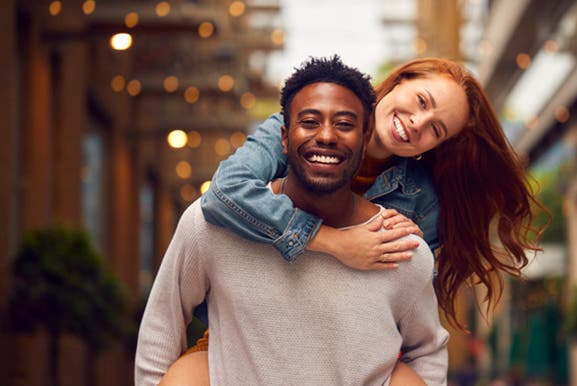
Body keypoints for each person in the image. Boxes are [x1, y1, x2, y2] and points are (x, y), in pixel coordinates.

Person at [135, 56, 449, 386]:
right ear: (284, 138)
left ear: (364, 138)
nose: (327, 136)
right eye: (310, 122)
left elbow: (427, 350)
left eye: (344, 124)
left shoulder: (397, 248)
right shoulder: (211, 225)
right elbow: (162, 326)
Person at [201, 57, 545, 330]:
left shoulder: (423, 206)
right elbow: (224, 194)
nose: (417, 123)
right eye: (421, 101)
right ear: (399, 82)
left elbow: (399, 304)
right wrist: (333, 242)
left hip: (337, 341)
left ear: (436, 146)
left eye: (435, 129)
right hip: (243, 324)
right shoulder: (302, 128)